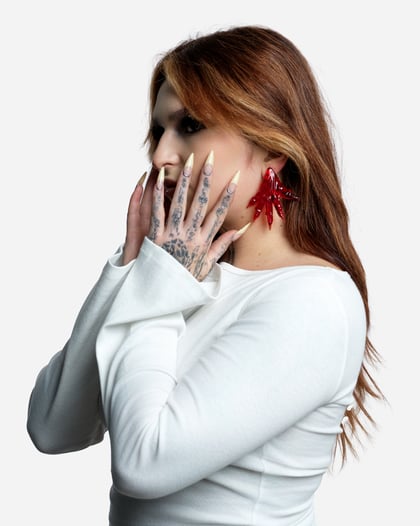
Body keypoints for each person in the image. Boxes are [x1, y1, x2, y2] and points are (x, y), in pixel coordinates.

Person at [27, 25, 383, 525]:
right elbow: (52, 426)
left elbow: (143, 465)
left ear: (272, 148)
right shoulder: (182, 275)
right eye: (158, 131)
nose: (161, 156)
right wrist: (133, 263)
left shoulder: (313, 300)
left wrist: (162, 279)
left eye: (190, 125)